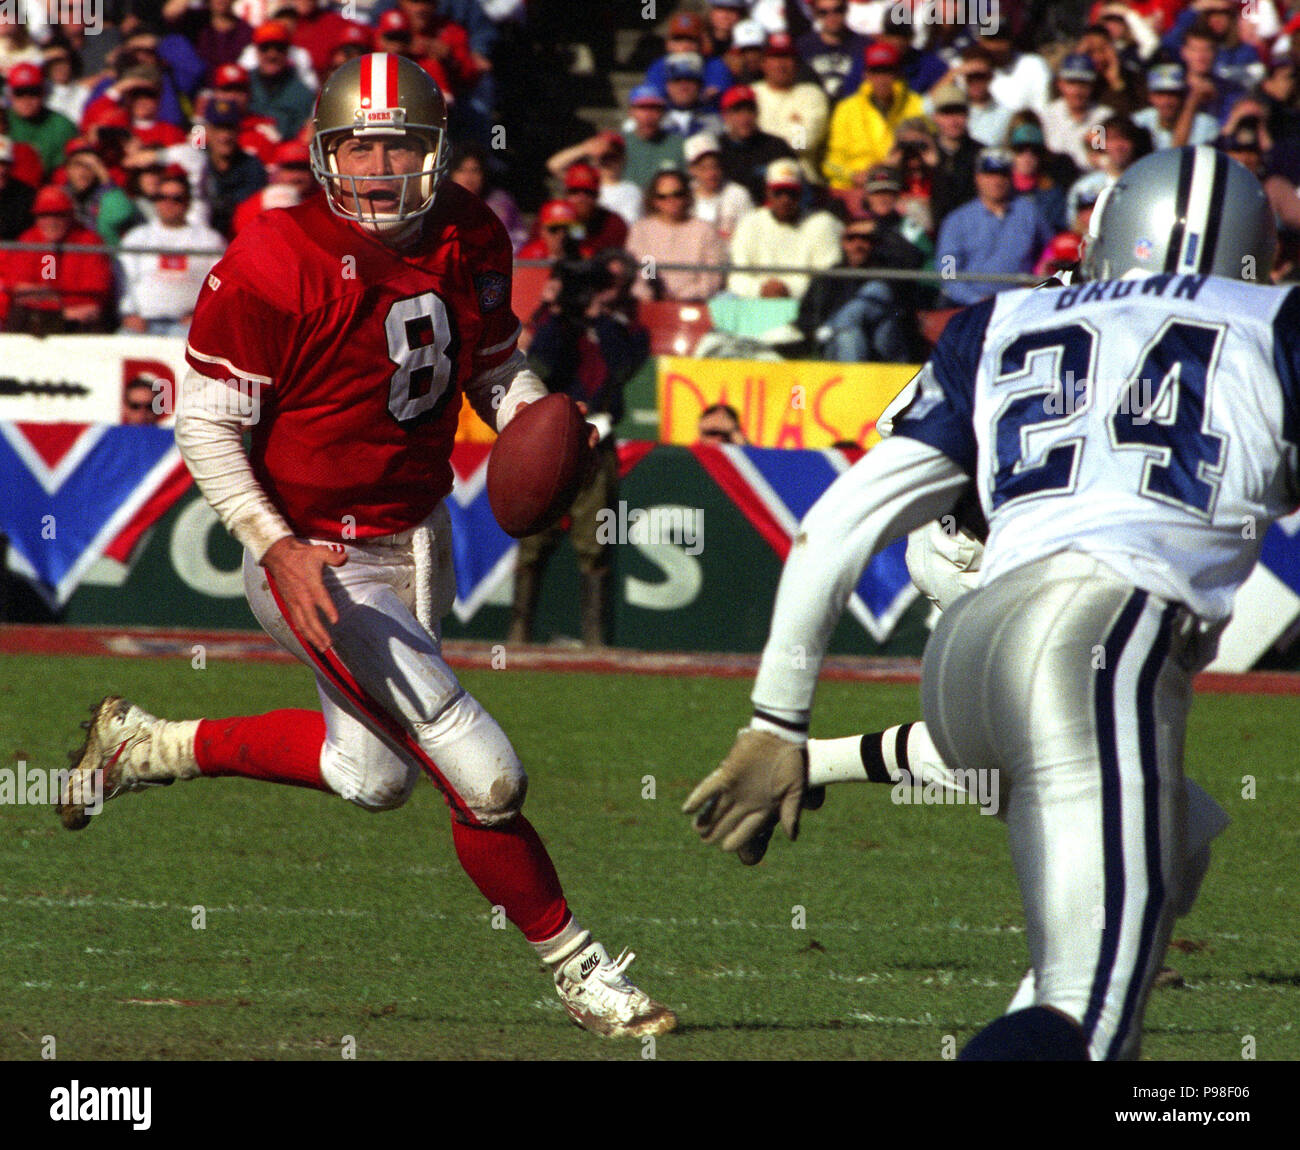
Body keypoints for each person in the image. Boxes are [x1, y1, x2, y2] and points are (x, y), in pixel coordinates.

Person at [57, 53, 676, 1041]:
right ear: (324, 151)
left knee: (372, 775)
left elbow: (491, 361)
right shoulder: (274, 256)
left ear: (436, 153)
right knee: (484, 772)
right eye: (362, 144)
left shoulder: (471, 231)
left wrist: (534, 417)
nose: (382, 166)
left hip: (419, 530)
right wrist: (275, 544)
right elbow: (206, 426)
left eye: (401, 144)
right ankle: (580, 968)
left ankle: (149, 745)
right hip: (319, 559)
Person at [683, 145, 1283, 1061]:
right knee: (1087, 1032)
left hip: (966, 653)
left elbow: (834, 527)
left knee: (1182, 841)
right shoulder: (1272, 323)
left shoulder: (1002, 319)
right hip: (1101, 629)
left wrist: (779, 724)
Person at [508, 255, 649, 648]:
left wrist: (600, 317)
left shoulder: (622, 326)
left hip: (595, 439)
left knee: (596, 540)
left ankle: (595, 639)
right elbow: (539, 366)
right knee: (535, 538)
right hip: (549, 442)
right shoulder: (556, 325)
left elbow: (624, 366)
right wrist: (556, 311)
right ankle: (519, 633)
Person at [934, 147, 1054, 307]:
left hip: (1022, 302)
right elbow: (947, 272)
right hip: (971, 306)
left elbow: (1051, 248)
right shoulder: (957, 220)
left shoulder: (1029, 211)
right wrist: (976, 300)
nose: (996, 181)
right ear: (977, 177)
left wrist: (1040, 275)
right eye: (989, 174)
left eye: (1002, 174)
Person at [118, 171, 225, 337]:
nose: (168, 203)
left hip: (189, 325)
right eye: (161, 197)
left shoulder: (209, 240)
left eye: (176, 198)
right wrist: (129, 314)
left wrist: (200, 316)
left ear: (188, 203)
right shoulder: (136, 238)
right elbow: (123, 281)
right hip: (142, 323)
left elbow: (220, 287)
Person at [797, 216, 918, 362]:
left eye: (865, 239)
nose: (858, 244)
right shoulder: (830, 277)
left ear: (874, 243)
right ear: (843, 243)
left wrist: (879, 229)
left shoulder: (886, 269)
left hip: (883, 347)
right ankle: (842, 328)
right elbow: (806, 316)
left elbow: (914, 258)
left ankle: (839, 324)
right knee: (848, 334)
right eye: (851, 238)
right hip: (838, 348)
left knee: (877, 288)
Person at [727, 157, 842, 299]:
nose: (785, 199)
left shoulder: (822, 223)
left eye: (791, 193)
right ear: (768, 193)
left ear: (801, 194)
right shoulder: (749, 223)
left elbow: (828, 277)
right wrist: (760, 289)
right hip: (756, 302)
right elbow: (736, 278)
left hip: (806, 306)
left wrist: (788, 289)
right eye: (778, 192)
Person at [626, 167, 727, 302]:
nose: (670, 200)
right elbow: (644, 272)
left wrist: (681, 297)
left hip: (695, 303)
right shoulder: (642, 230)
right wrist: (654, 294)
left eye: (677, 194)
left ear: (687, 196)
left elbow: (711, 278)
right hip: (652, 303)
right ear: (654, 200)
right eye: (662, 196)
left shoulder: (704, 230)